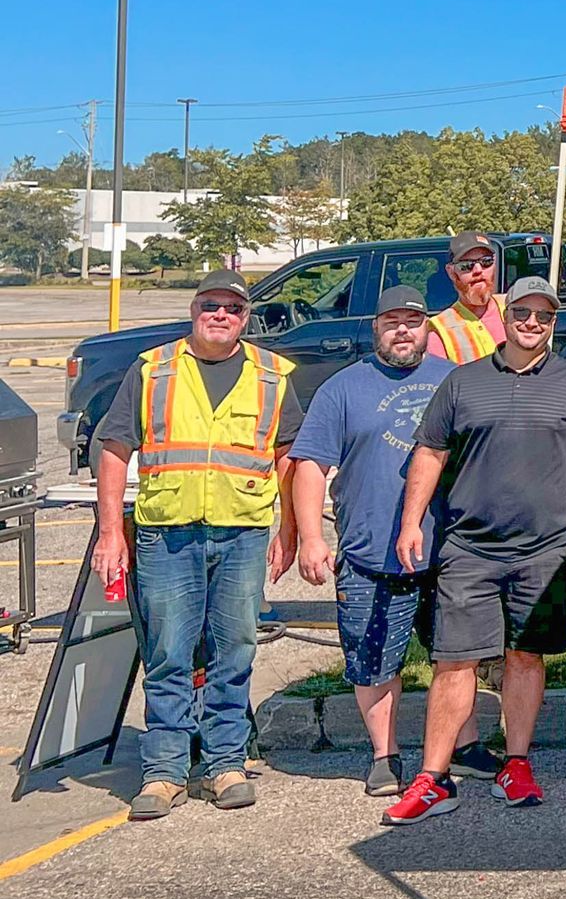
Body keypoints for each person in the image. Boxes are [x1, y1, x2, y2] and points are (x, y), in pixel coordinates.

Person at [381, 277, 566, 824]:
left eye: (543, 315)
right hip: (470, 548)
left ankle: (516, 763)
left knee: (525, 656)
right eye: (524, 313)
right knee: (453, 661)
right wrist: (411, 522)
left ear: (553, 323)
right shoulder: (462, 383)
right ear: (506, 316)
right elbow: (429, 455)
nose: (532, 323)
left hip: (549, 548)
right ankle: (433, 779)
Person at [90, 269, 305, 819]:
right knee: (169, 654)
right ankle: (163, 770)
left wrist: (290, 530)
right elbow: (114, 448)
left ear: (246, 318)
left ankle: (225, 762)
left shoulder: (272, 375)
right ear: (193, 309)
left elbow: (287, 458)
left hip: (243, 533)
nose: (220, 315)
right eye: (210, 304)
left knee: (235, 651)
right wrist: (112, 531)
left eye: (232, 308)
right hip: (168, 533)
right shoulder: (154, 368)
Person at [288, 285, 500, 795]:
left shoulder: (456, 380)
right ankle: (386, 755)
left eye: (412, 320)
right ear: (375, 329)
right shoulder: (341, 388)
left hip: (452, 548)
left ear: (428, 326)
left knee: (457, 655)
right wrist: (311, 537)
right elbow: (310, 464)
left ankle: (463, 746)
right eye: (392, 322)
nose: (403, 330)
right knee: (373, 655)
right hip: (371, 551)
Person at [427, 230, 506, 363]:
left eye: (486, 261)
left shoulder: (515, 305)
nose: (478, 270)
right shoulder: (440, 329)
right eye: (466, 265)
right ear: (451, 272)